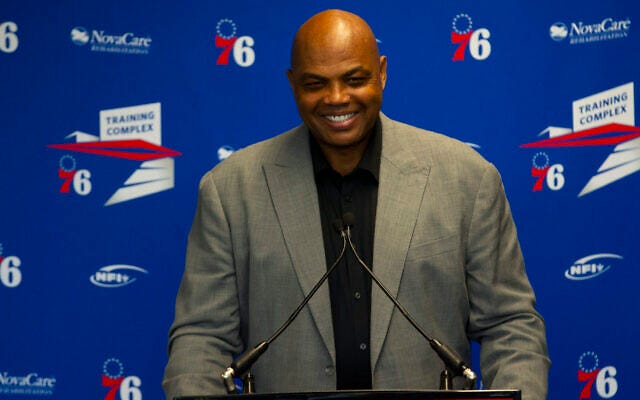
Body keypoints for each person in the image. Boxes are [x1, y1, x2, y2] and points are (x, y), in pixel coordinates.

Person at [163, 9, 550, 400]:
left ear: (381, 72)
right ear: (292, 84)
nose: (336, 98)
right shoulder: (230, 191)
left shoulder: (467, 179)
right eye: (316, 83)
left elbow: (510, 325)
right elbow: (202, 338)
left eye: (355, 79)